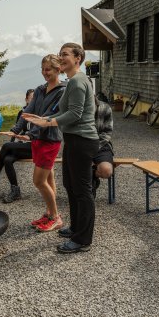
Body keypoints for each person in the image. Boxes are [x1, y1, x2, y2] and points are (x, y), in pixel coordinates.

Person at [23, 42, 99, 253]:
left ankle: (82, 240)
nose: (61, 57)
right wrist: (43, 119)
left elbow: (75, 114)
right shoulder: (74, 80)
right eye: (60, 54)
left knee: (82, 191)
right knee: (70, 185)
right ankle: (75, 227)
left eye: (65, 54)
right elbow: (65, 113)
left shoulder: (76, 82)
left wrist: (47, 122)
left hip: (83, 141)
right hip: (74, 140)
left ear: (77, 58)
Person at [3, 54, 65, 231]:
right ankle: (49, 213)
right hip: (38, 140)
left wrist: (30, 135)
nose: (45, 73)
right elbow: (28, 112)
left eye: (48, 69)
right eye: (43, 69)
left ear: (58, 69)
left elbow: (47, 117)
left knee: (38, 181)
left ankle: (55, 217)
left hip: (50, 140)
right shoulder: (39, 89)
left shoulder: (62, 91)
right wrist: (16, 130)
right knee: (49, 178)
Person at [0, 89, 34, 203]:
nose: (33, 102)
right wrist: (13, 143)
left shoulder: (39, 114)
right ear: (26, 100)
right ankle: (15, 191)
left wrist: (11, 145)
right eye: (31, 99)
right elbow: (16, 131)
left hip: (34, 147)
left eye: (35, 100)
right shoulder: (21, 113)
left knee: (6, 146)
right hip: (23, 146)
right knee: (7, 159)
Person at [91, 97, 114, 199]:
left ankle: (93, 175)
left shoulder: (105, 107)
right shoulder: (75, 107)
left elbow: (107, 132)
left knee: (106, 171)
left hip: (101, 144)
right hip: (81, 145)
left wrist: (95, 146)